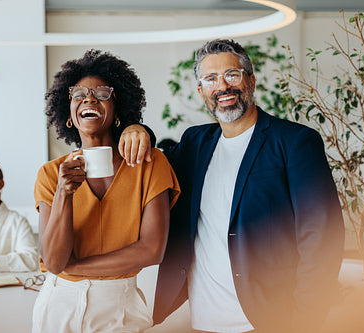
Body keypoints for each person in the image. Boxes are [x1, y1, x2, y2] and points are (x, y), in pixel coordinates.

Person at [118, 39, 345, 333]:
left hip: (270, 320)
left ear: (251, 80)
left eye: (232, 75)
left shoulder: (295, 142)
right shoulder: (194, 144)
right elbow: (149, 160)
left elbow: (322, 239)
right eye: (210, 79)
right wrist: (137, 129)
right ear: (201, 92)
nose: (222, 86)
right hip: (203, 321)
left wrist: (304, 320)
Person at [33, 49, 180, 333]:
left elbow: (152, 250)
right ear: (69, 115)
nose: (89, 98)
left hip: (120, 308)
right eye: (78, 94)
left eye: (101, 93)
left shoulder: (150, 163)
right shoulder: (51, 174)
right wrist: (64, 194)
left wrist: (73, 267)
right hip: (57, 307)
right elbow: (52, 259)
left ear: (117, 111)